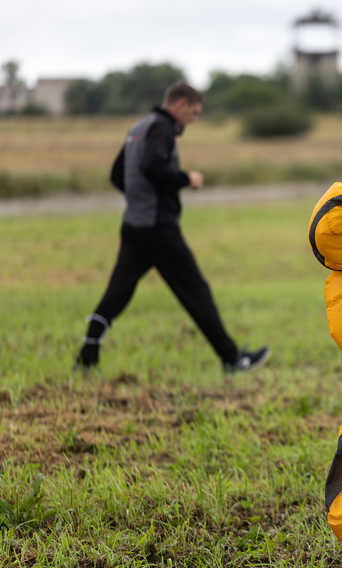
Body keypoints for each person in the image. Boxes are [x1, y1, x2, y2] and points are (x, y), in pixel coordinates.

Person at [74, 81, 269, 374]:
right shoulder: (162, 127)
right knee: (195, 290)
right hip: (158, 228)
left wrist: (139, 199)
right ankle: (232, 359)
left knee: (118, 291)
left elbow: (117, 174)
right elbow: (152, 166)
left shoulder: (139, 126)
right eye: (194, 112)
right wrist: (186, 179)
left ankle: (87, 357)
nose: (194, 119)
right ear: (180, 105)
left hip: (134, 224)